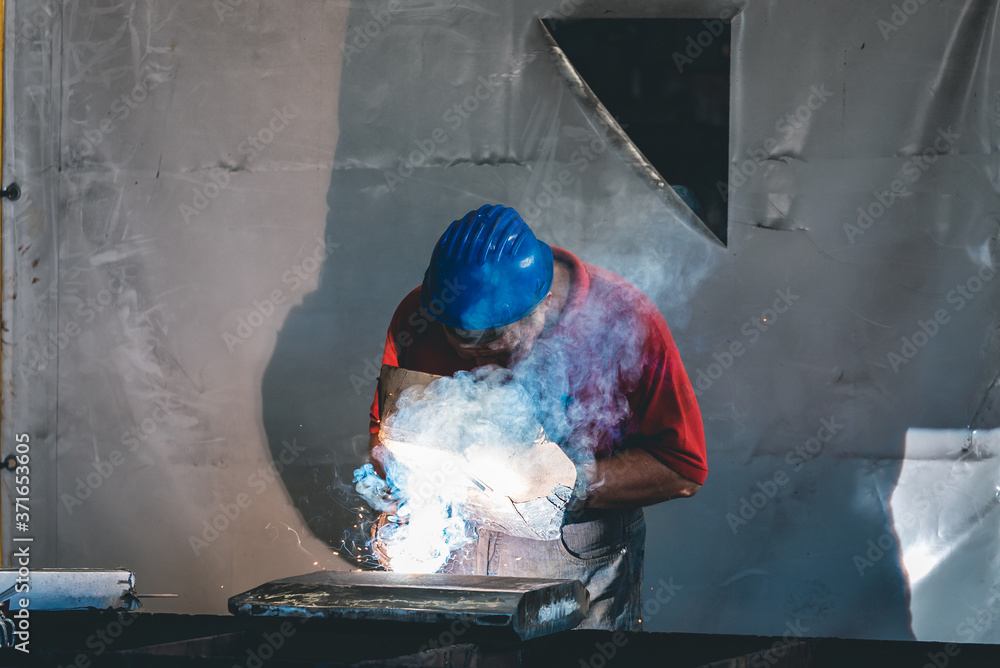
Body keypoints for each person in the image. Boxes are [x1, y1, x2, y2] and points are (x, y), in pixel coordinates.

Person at [367, 204, 706, 630]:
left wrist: (571, 483)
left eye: (499, 347)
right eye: (461, 346)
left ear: (543, 304)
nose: (481, 363)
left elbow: (682, 470)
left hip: (569, 555)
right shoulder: (421, 315)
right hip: (451, 544)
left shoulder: (625, 319)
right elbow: (384, 435)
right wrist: (405, 487)